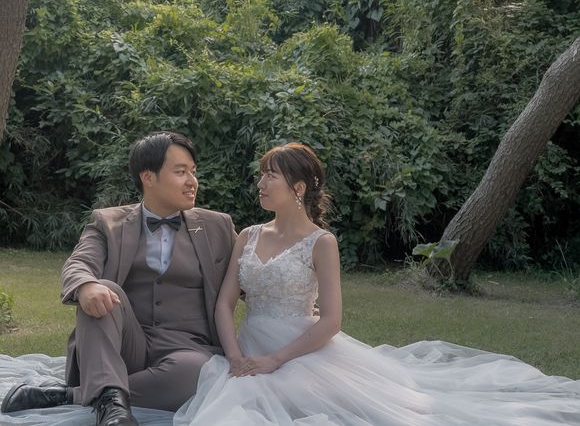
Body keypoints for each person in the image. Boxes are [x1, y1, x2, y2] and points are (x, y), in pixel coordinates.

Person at [174, 142, 580, 425]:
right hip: (247, 347)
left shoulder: (321, 243)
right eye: (261, 175)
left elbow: (330, 320)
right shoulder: (248, 235)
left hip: (300, 350)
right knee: (236, 403)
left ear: (298, 187)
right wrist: (235, 357)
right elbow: (225, 303)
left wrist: (275, 360)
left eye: (270, 176)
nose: (261, 184)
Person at [1, 132, 237, 426]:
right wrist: (86, 286)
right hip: (125, 344)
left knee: (200, 374)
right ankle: (113, 410)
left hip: (187, 349)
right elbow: (78, 264)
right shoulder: (107, 222)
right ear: (148, 177)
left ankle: (84, 396)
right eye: (180, 172)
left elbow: (252, 276)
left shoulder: (217, 226)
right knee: (102, 290)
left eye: (193, 171)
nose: (192, 181)